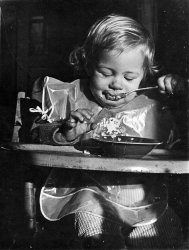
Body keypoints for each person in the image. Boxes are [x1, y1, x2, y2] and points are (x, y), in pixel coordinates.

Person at [30, 14, 187, 249]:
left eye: (129, 76)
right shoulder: (72, 94)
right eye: (106, 72)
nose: (116, 84)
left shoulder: (154, 102)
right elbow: (33, 132)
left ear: (145, 73)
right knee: (96, 233)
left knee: (164, 236)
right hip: (84, 192)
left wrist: (183, 95)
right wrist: (63, 133)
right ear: (88, 64)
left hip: (140, 195)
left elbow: (181, 139)